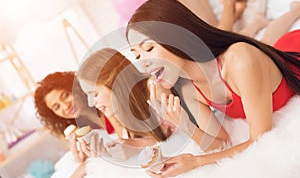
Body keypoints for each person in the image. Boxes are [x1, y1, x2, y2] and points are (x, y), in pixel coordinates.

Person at [125, 0, 300, 178]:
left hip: (296, 48)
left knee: (270, 39)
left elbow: (260, 138)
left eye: (149, 48)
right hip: (274, 59)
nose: (142, 64)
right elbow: (222, 145)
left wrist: (195, 161)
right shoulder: (189, 90)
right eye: (137, 55)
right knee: (269, 40)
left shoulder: (240, 60)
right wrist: (183, 124)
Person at [76, 48, 226, 159]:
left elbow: (183, 139)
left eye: (94, 94)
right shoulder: (117, 108)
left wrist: (135, 146)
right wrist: (105, 152)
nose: (91, 103)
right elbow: (155, 139)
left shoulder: (155, 88)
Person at [34, 71, 122, 178]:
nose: (65, 106)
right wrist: (81, 157)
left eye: (65, 95)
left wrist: (82, 169)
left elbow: (125, 139)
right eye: (57, 107)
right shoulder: (83, 125)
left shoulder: (103, 101)